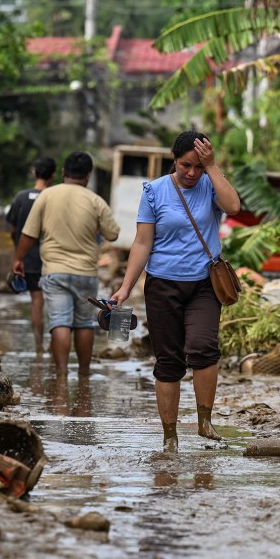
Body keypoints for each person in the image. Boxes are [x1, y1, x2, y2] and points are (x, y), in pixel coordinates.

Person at [109, 131, 241, 452]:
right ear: (174, 160)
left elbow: (234, 206)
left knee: (203, 347)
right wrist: (125, 288)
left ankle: (205, 422)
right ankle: (169, 436)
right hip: (162, 285)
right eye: (186, 165)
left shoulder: (210, 183)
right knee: (168, 361)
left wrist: (212, 167)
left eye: (197, 166)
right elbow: (142, 243)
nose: (191, 173)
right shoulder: (154, 191)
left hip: (204, 285)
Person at [13, 151, 120, 374]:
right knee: (83, 323)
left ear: (63, 172)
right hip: (86, 273)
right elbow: (113, 234)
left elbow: (28, 234)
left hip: (55, 271)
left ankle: (61, 374)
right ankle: (83, 374)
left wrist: (18, 259)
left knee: (60, 321)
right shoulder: (95, 200)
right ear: (88, 176)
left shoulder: (47, 196)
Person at [6, 157, 56, 354]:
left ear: (35, 172)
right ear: (53, 175)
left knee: (37, 300)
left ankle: (38, 347)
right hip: (52, 258)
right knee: (55, 300)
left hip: (29, 259)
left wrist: (18, 252)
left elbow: (13, 229)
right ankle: (55, 343)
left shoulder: (21, 197)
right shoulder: (54, 197)